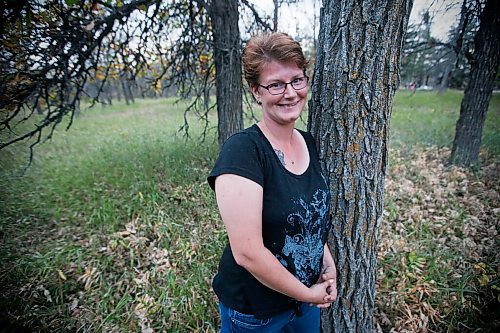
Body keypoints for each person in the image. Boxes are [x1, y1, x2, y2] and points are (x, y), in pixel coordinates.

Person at [207, 32, 337, 332]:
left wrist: (325, 260)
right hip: (256, 313)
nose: (290, 93)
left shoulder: (308, 143)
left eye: (297, 80)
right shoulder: (243, 151)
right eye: (276, 84)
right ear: (256, 92)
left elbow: (307, 216)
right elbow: (247, 252)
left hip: (304, 303)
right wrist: (308, 295)